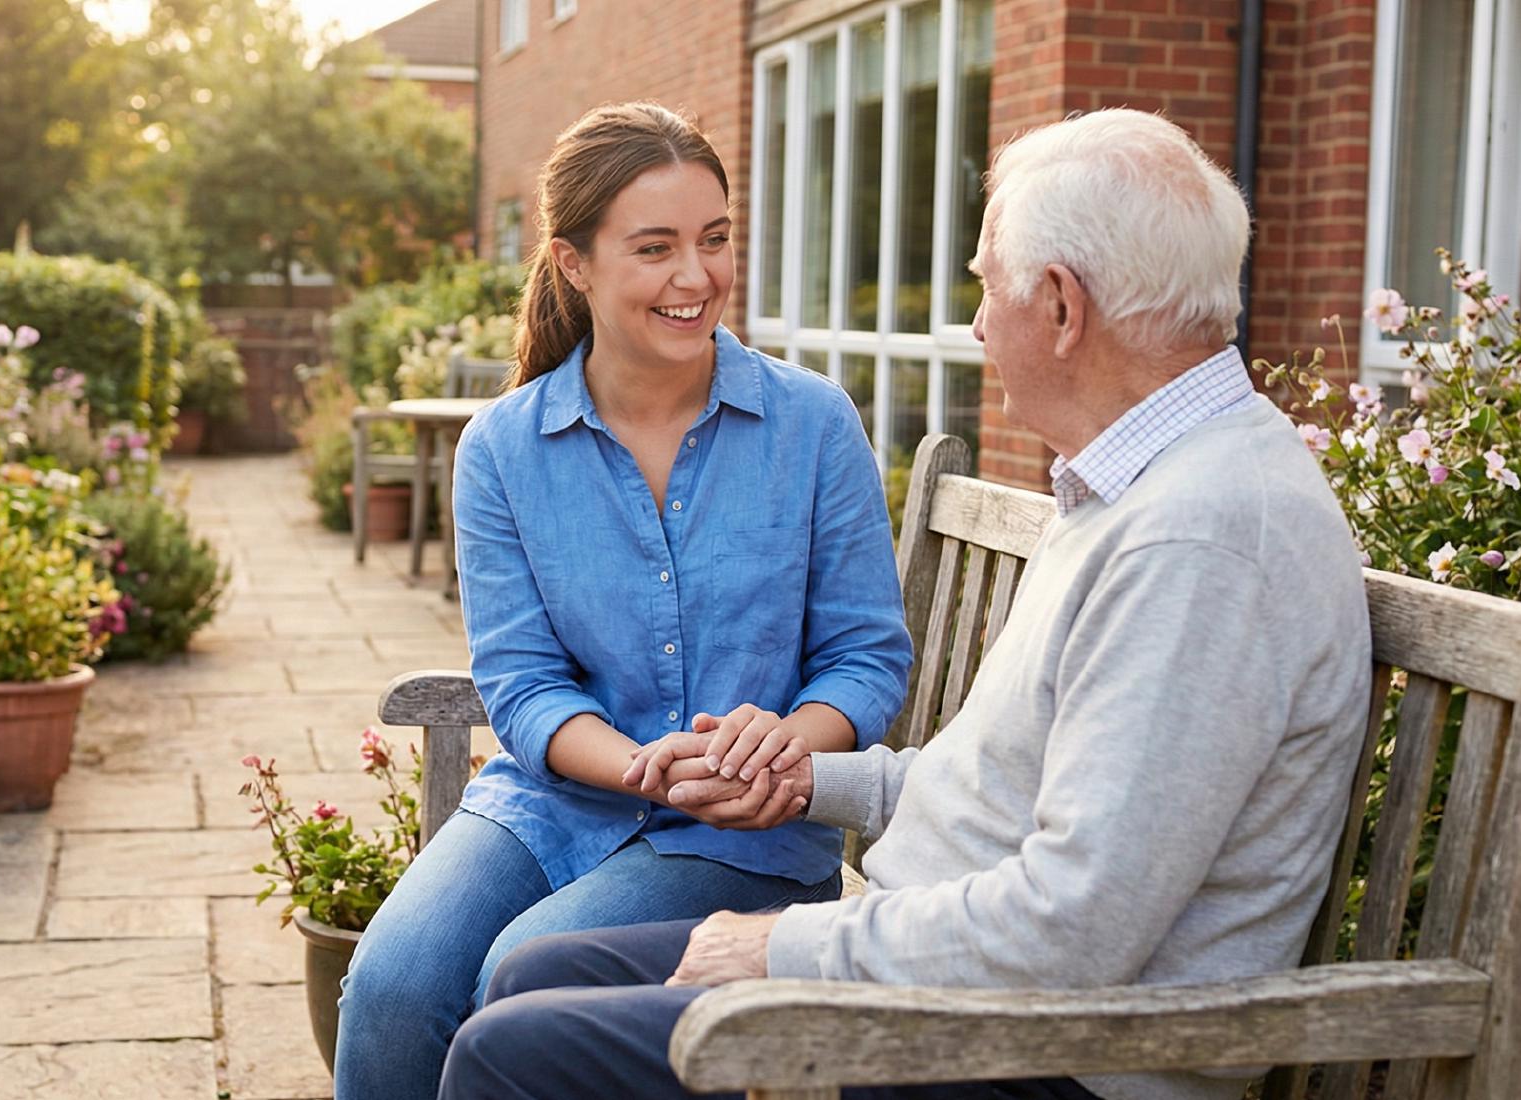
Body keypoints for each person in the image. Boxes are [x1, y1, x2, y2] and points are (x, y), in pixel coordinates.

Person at [435, 107, 1376, 1100]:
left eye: (984, 287)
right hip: (960, 980)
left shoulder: (1200, 537)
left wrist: (783, 944)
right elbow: (992, 785)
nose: (974, 326)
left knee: (510, 1054)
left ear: (1059, 307)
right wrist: (804, 781)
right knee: (541, 975)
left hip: (1045, 1052)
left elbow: (1071, 927)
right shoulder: (1137, 488)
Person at [329, 101, 914, 1100]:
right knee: (390, 984)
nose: (697, 277)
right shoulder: (504, 449)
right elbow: (519, 681)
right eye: (655, 248)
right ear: (574, 263)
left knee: (518, 978)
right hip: (551, 803)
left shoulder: (812, 425)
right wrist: (643, 767)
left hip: (748, 831)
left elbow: (866, 658)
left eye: (714, 240)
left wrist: (779, 745)